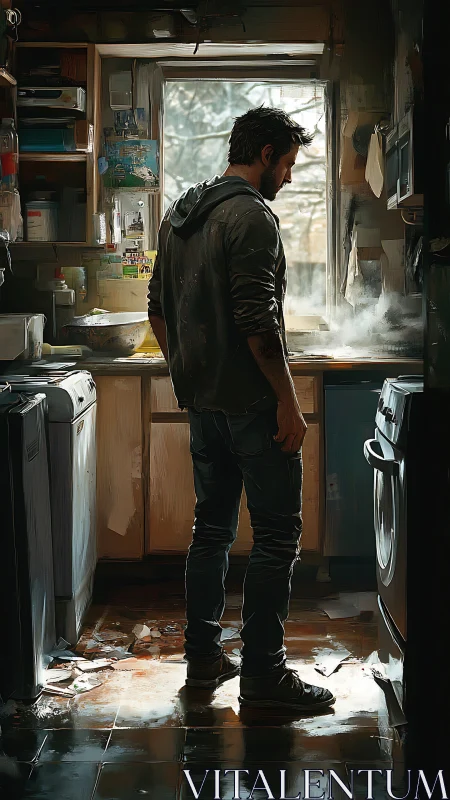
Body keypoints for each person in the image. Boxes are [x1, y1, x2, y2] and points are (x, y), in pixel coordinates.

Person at [148, 105, 335, 712]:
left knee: (212, 531)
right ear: (264, 155)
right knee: (278, 537)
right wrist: (287, 402)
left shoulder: (183, 211)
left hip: (204, 404)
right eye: (286, 165)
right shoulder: (250, 216)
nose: (287, 178)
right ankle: (263, 676)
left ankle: (203, 660)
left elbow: (157, 308)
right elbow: (258, 323)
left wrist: (188, 373)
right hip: (252, 406)